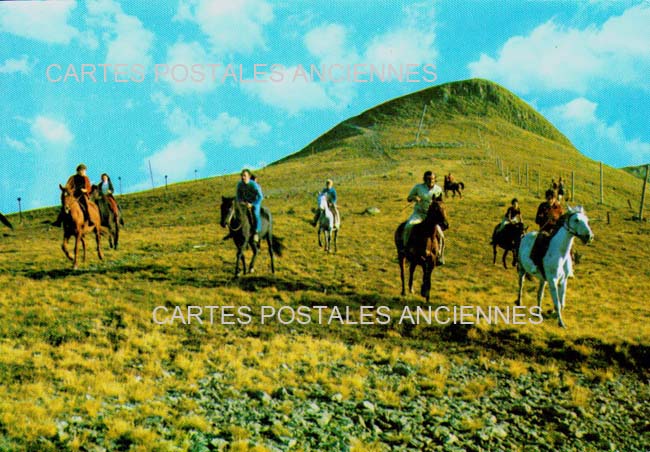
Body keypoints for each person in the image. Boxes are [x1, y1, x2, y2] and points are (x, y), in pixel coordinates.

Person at [403, 171, 445, 262]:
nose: (431, 181)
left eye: (432, 179)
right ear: (425, 179)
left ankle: (440, 256)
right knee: (408, 226)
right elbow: (409, 198)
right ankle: (405, 250)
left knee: (441, 235)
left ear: (435, 179)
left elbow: (441, 202)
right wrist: (414, 198)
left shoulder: (438, 189)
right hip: (419, 214)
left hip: (431, 217)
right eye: (428, 179)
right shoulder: (418, 187)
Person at [531, 189, 564, 273]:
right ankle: (536, 263)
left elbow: (562, 219)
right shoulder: (542, 206)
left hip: (555, 231)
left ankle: (572, 258)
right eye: (548, 198)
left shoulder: (558, 207)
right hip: (545, 230)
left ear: (555, 198)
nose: (550, 200)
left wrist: (556, 221)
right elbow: (537, 220)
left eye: (552, 198)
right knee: (540, 240)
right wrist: (546, 219)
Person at [236, 168, 264, 243]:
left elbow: (261, 197)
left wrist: (252, 204)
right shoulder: (239, 184)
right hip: (245, 202)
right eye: (242, 176)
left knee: (255, 213)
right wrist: (241, 202)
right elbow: (238, 196)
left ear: (249, 176)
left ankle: (256, 233)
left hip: (255, 202)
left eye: (245, 176)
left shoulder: (254, 185)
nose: (243, 177)